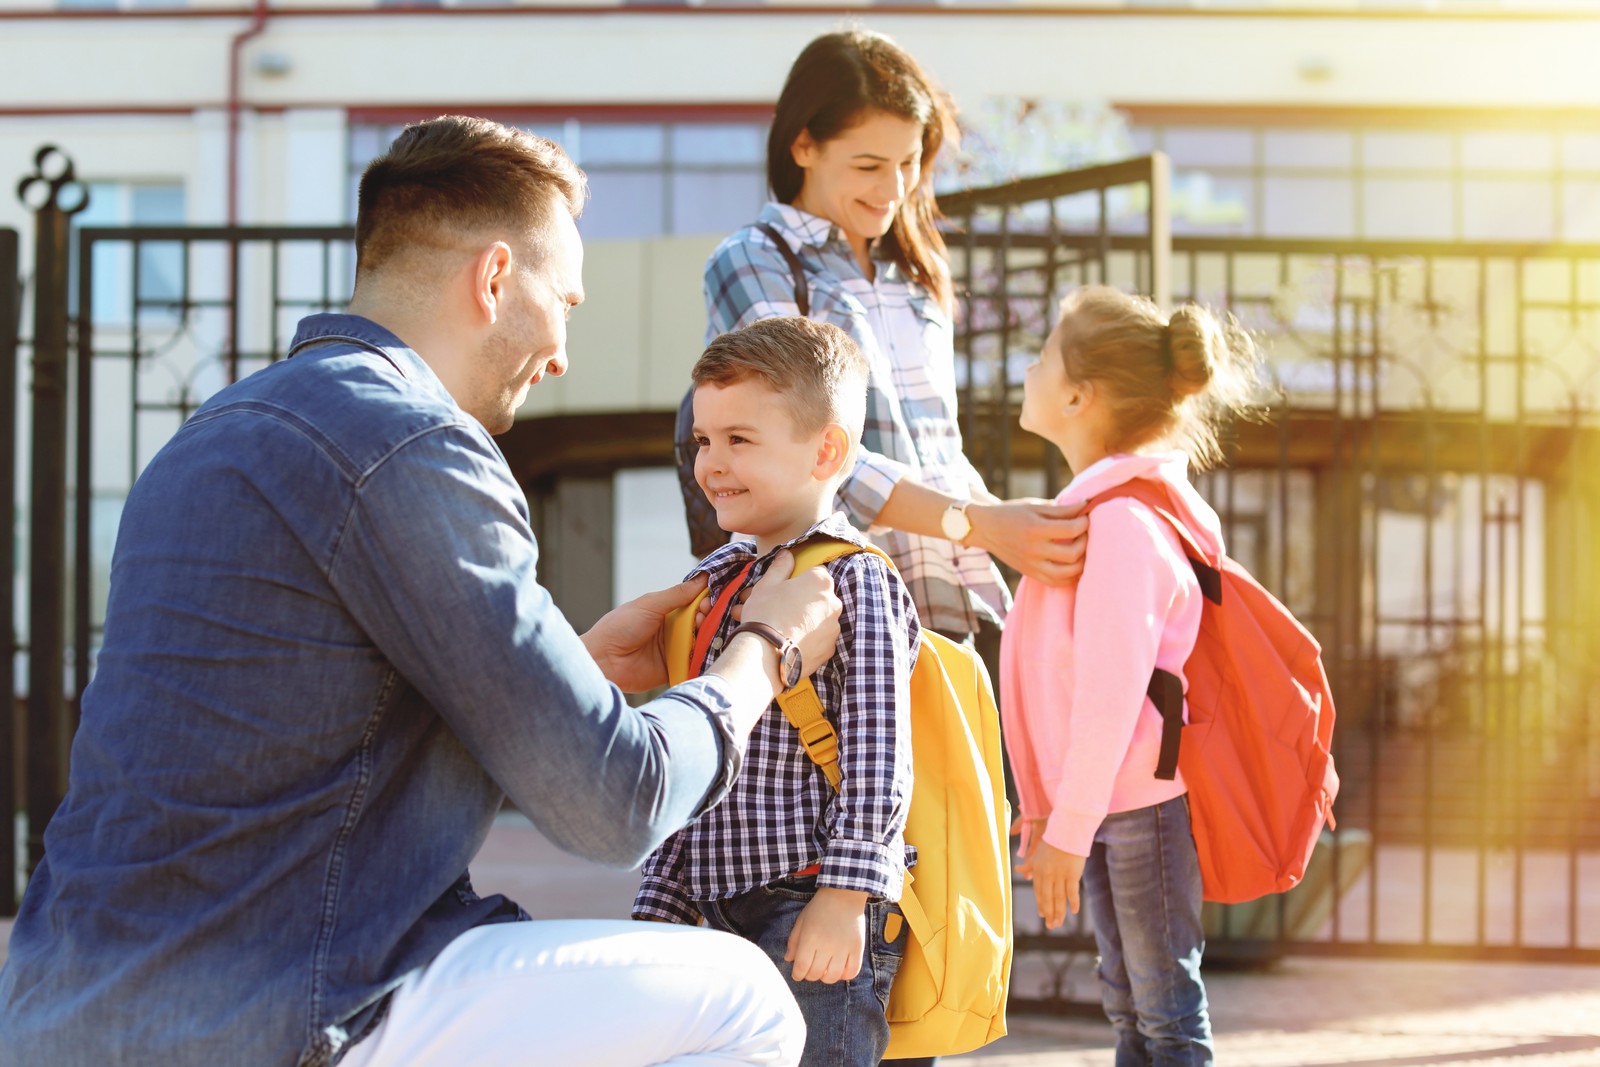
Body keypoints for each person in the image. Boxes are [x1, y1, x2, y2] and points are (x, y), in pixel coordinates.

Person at [0, 116, 846, 1067]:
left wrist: (575, 664)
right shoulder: (416, 443)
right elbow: (617, 804)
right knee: (743, 1000)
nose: (562, 351)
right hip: (280, 1009)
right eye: (562, 300)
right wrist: (759, 655)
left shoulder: (210, 434)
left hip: (59, 1009)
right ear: (493, 279)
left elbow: (291, 721)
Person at [688, 27, 1088, 661]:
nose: (896, 189)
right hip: (833, 606)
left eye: (909, 163)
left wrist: (1012, 525)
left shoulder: (914, 274)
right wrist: (979, 521)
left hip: (950, 599)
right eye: (870, 166)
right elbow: (812, 449)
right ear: (803, 146)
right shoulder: (755, 261)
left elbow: (940, 450)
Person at [637, 316, 918, 1067]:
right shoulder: (712, 584)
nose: (711, 464)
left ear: (827, 448)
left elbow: (879, 754)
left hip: (809, 900)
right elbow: (697, 748)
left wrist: (846, 895)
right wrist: (662, 899)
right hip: (718, 907)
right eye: (702, 440)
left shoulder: (856, 578)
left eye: (739, 439)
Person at [1002, 285, 1263, 1067]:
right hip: (1112, 804)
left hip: (1138, 806)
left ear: (1079, 394)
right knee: (1130, 1006)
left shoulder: (1121, 522)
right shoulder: (1107, 511)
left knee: (1163, 1011)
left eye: (1045, 352)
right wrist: (1052, 813)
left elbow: (1110, 694)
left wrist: (1068, 822)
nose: (1030, 366)